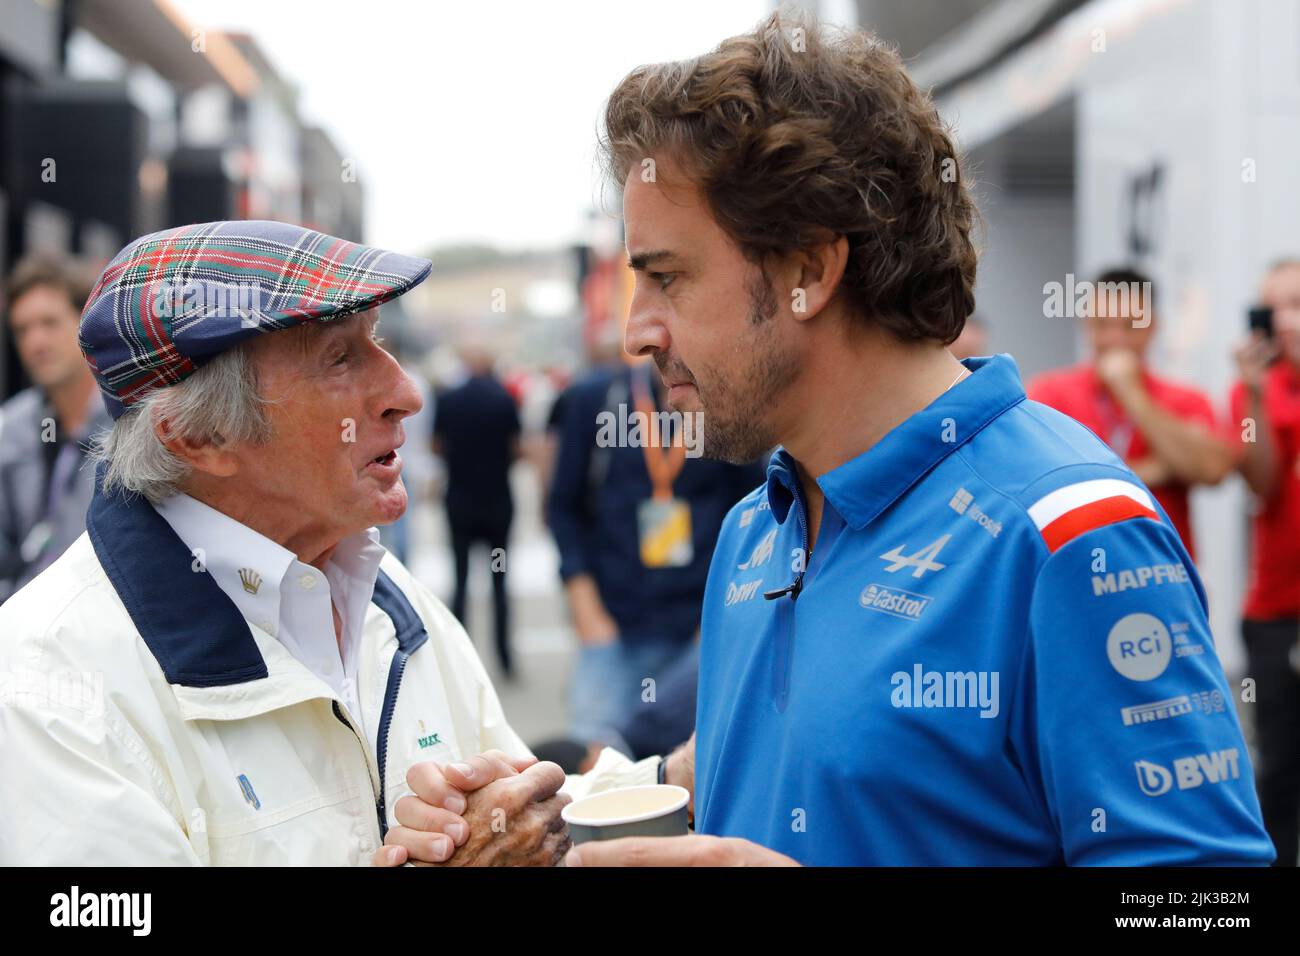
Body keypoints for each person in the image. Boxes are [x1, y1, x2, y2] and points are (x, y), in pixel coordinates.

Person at [563, 12, 1272, 866]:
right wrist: (551, 817)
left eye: (668, 277)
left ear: (809, 272)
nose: (636, 334)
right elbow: (786, 777)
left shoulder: (1069, 535)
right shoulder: (760, 525)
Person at [0, 220, 657, 866]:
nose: (405, 394)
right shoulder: (47, 684)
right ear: (197, 438)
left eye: (376, 343)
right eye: (339, 358)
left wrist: (528, 825)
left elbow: (522, 818)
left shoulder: (388, 595)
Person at [547, 358, 762, 754]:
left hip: (699, 630)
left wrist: (722, 614)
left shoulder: (723, 406)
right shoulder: (596, 400)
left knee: (692, 771)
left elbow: (756, 512)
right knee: (599, 770)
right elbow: (563, 507)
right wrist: (585, 607)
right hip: (612, 627)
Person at [1028, 267, 1233, 559]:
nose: (1115, 339)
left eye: (1129, 326)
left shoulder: (1187, 399)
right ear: (1086, 325)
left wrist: (1132, 395)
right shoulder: (1049, 392)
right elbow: (1040, 480)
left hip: (1163, 570)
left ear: (1153, 327)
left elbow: (1213, 470)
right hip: (1075, 565)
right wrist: (1160, 467)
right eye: (1102, 325)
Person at [1230, 258, 1300, 866]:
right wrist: (1254, 390)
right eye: (1272, 307)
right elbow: (1263, 483)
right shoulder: (1255, 391)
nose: (1285, 321)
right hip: (1277, 609)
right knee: (1278, 765)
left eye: (1296, 304)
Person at [0, 254, 111, 601]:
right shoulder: (14, 425)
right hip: (23, 621)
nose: (36, 343)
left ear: (85, 323)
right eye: (23, 330)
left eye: (49, 323)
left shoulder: (128, 418)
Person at [433, 345, 520, 677]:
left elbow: (436, 446)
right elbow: (517, 448)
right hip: (497, 504)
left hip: (460, 503)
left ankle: (460, 659)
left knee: (461, 580)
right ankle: (505, 658)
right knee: (500, 583)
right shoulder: (504, 400)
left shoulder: (450, 399)